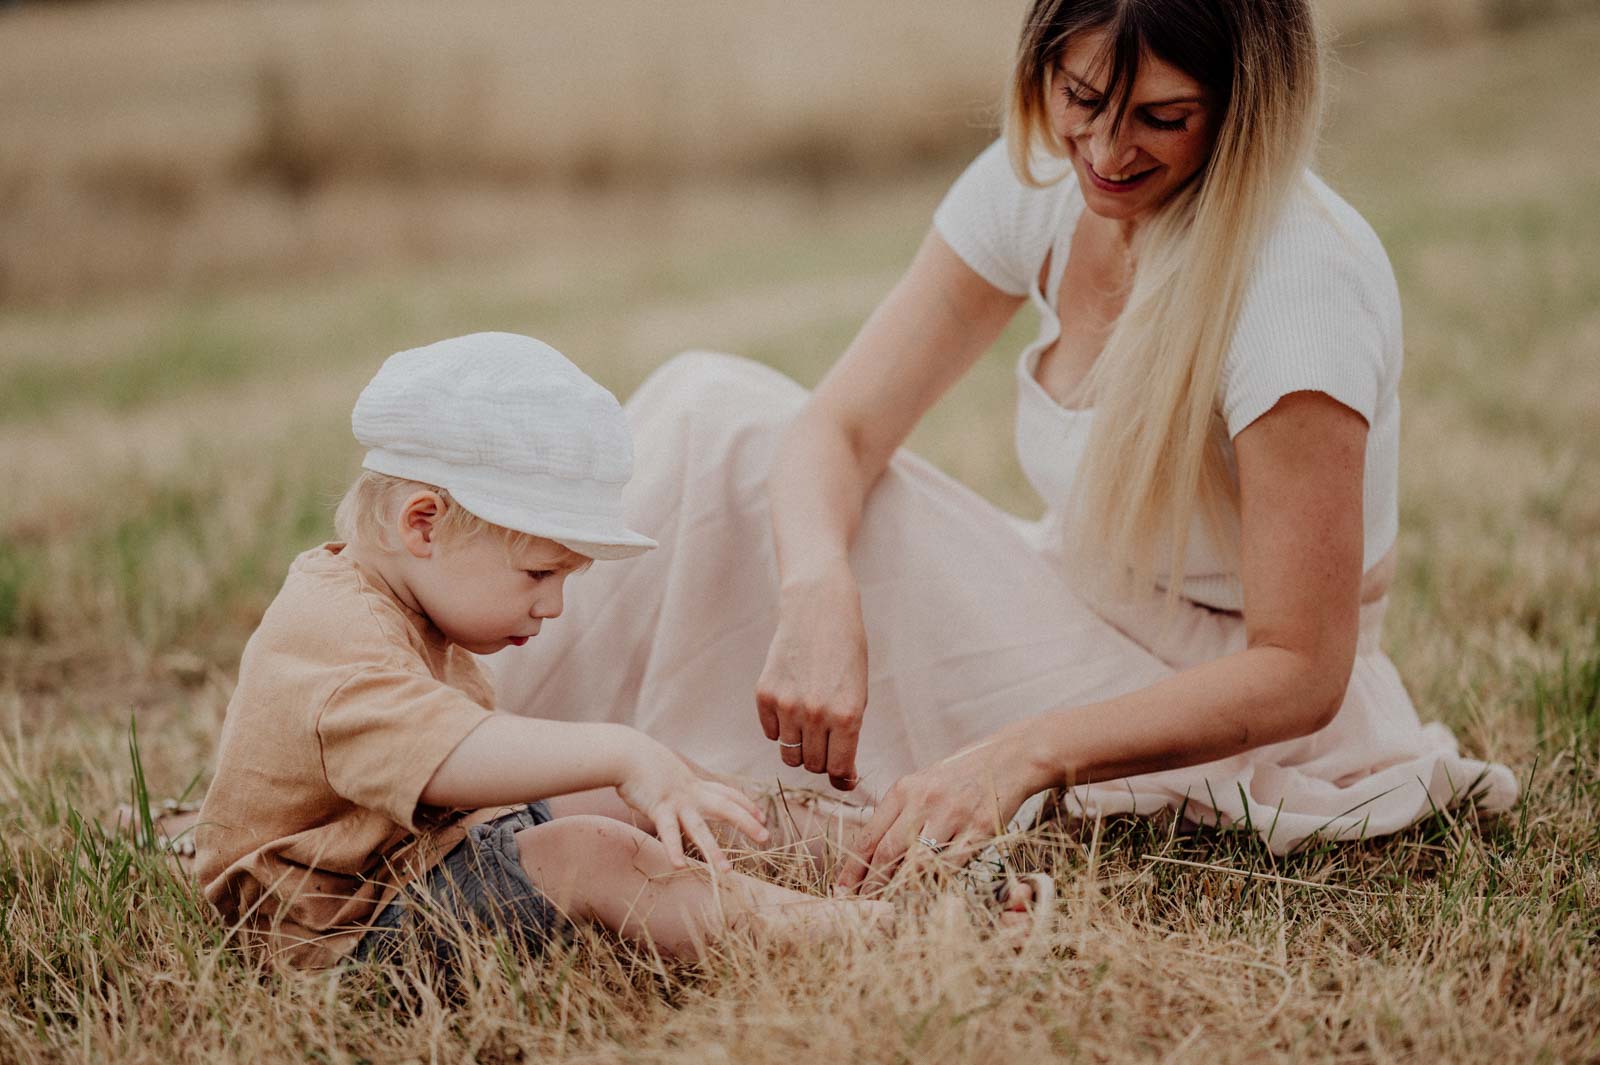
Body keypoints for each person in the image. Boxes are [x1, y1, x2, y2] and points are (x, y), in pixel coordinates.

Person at [486, 0, 1518, 891]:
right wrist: (816, 594)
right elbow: (838, 430)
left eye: (1162, 118)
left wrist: (1019, 757)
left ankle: (473, 766)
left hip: (1217, 688)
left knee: (718, 425)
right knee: (707, 404)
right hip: (1068, 590)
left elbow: (1298, 669)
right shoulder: (1041, 184)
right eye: (1080, 98)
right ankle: (468, 738)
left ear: (1247, 112)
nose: (1107, 153)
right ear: (1044, 68)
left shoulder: (1298, 288)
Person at [193, 332, 887, 969]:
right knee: (589, 851)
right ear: (424, 523)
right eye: (538, 573)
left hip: (418, 859)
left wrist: (637, 768)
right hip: (342, 935)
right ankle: (858, 928)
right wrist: (622, 749)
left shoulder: (408, 603)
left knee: (624, 791)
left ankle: (870, 846)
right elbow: (443, 759)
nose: (554, 604)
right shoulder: (332, 635)